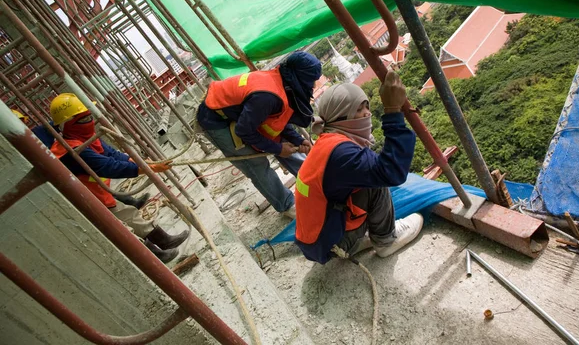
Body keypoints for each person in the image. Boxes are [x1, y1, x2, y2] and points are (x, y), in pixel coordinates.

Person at [294, 72, 424, 264]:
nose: (367, 113)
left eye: (366, 106)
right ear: (340, 115)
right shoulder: (342, 153)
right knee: (375, 178)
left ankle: (358, 236)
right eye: (358, 109)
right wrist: (393, 110)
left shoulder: (328, 143)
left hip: (318, 241)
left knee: (369, 170)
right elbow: (392, 171)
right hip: (331, 243)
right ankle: (385, 241)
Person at [47, 93, 189, 263]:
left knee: (128, 214)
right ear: (67, 124)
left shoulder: (83, 138)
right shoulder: (71, 150)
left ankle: (164, 241)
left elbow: (111, 154)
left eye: (89, 116)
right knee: (121, 229)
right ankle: (154, 258)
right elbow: (108, 166)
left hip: (97, 192)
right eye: (83, 119)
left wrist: (143, 163)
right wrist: (147, 169)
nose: (89, 121)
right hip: (83, 199)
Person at [196, 51, 321, 219]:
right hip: (216, 119)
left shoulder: (282, 81)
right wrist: (277, 149)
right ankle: (287, 205)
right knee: (255, 162)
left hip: (242, 115)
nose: (313, 86)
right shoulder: (267, 96)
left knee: (285, 143)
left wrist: (298, 139)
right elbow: (244, 131)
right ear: (299, 77)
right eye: (311, 80)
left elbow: (278, 121)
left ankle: (314, 183)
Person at [11, 109, 149, 209]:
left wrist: (134, 162)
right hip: (67, 171)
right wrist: (140, 168)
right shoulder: (31, 142)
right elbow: (105, 165)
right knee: (100, 195)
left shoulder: (42, 131)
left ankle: (130, 202)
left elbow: (108, 154)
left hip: (74, 168)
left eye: (22, 121)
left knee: (101, 186)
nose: (22, 126)